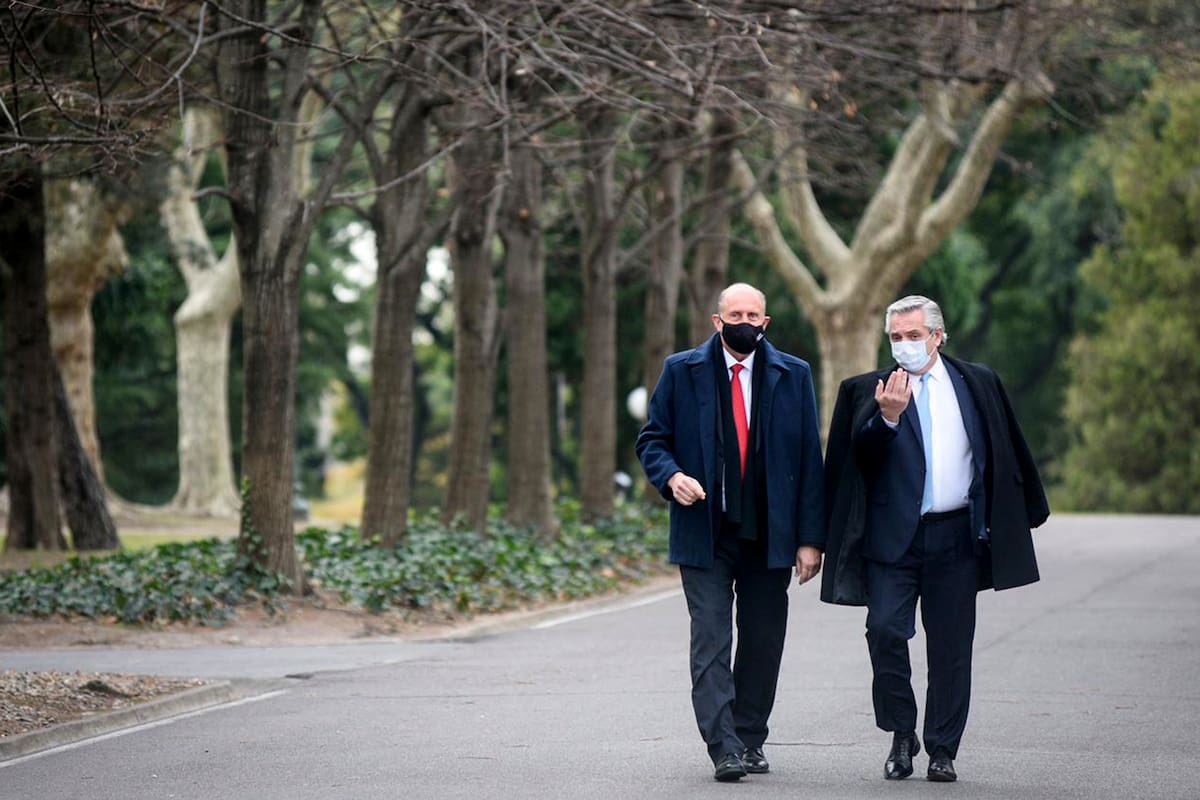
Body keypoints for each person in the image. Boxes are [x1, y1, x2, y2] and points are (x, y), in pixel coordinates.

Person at [820, 295, 1049, 783]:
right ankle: (902, 734)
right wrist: (887, 418)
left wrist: (1020, 512)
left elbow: (1005, 446)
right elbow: (852, 464)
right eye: (896, 338)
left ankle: (943, 748)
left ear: (938, 336)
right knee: (883, 631)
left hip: (956, 536)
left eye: (914, 335)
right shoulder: (868, 389)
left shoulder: (977, 382)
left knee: (950, 648)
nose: (904, 346)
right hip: (891, 540)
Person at [636, 282, 825, 782]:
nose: (745, 320)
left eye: (753, 314)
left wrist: (810, 538)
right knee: (712, 640)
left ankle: (750, 737)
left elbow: (810, 458)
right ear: (717, 321)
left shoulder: (794, 374)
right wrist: (671, 476)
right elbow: (652, 439)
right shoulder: (682, 370)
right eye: (735, 313)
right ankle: (723, 746)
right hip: (705, 531)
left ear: (765, 322)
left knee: (763, 640)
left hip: (770, 533)